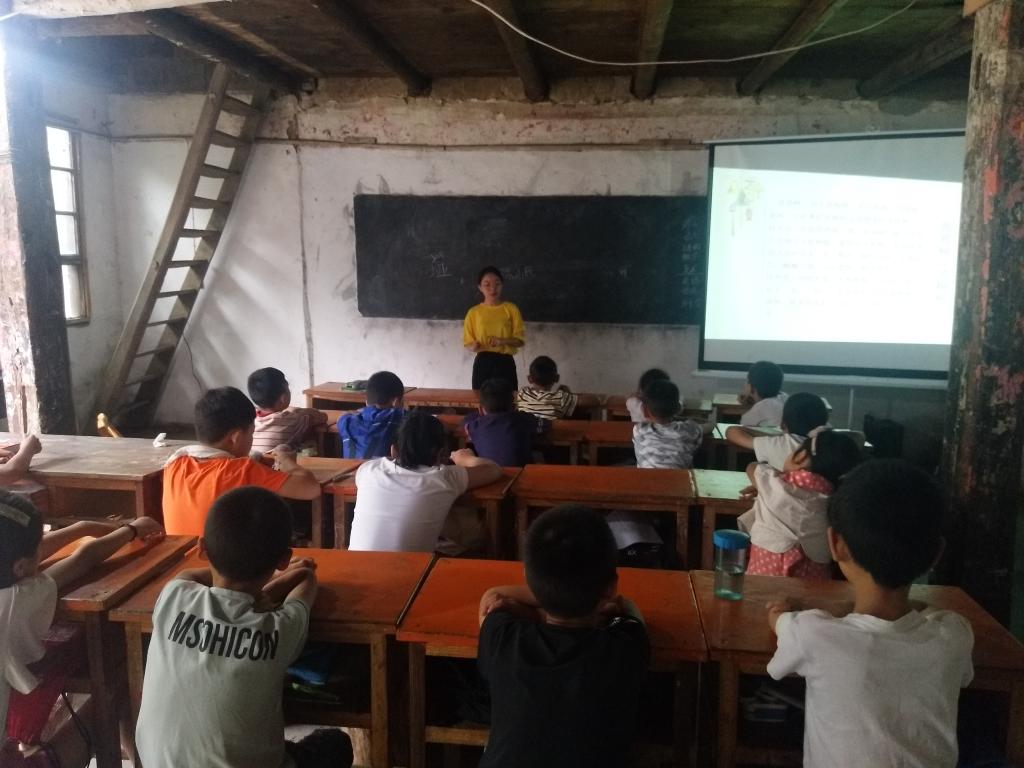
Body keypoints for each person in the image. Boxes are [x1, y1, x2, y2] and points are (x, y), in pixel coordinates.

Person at [766, 460, 974, 767]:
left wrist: (780, 613)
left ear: (836, 544)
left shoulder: (812, 634)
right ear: (936, 554)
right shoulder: (954, 635)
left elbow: (780, 621)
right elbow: (934, 618)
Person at [136, 486, 352, 768]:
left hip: (154, 763)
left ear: (202, 549)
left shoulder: (174, 596)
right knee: (335, 744)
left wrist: (261, 578)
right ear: (283, 559)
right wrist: (299, 571)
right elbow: (305, 585)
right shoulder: (279, 629)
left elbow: (191, 576)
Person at [477, 505, 649, 768]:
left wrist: (534, 609)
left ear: (528, 577)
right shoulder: (625, 644)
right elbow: (629, 607)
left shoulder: (504, 638)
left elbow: (492, 596)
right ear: (611, 586)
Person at [0, 490, 163, 753]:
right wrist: (131, 530)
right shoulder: (15, 601)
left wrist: (81, 528)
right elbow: (83, 559)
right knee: (111, 685)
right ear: (20, 567)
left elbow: (27, 553)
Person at [162, 387, 321, 536]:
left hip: (182, 554)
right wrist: (287, 461)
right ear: (235, 437)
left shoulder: (175, 463)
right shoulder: (240, 470)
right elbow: (311, 489)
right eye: (251, 434)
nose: (251, 439)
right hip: (220, 557)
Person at [348, 410, 503, 553]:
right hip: (410, 574)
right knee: (470, 527)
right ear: (441, 454)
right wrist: (464, 458)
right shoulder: (443, 477)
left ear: (393, 450)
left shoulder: (368, 470)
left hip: (353, 568)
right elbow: (494, 470)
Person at [739, 429, 862, 579]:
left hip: (764, 579)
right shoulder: (836, 501)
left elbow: (752, 467)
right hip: (814, 585)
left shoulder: (776, 485)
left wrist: (769, 483)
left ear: (801, 456)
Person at [725, 392, 829, 470]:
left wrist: (775, 436)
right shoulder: (832, 445)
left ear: (783, 425)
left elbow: (731, 431)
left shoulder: (778, 444)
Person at [463, 266, 524, 390]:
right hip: (483, 362)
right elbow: (468, 342)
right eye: (487, 285)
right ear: (480, 287)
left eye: (497, 284)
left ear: (502, 285)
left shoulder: (511, 309)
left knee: (508, 397)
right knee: (481, 397)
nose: (493, 289)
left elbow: (519, 341)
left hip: (505, 362)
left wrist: (502, 341)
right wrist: (473, 346)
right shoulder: (473, 312)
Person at [464, 378, 545, 467]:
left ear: (480, 409)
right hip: (520, 473)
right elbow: (545, 424)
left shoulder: (475, 426)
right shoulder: (523, 419)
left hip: (490, 474)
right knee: (538, 455)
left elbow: (466, 420)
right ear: (514, 406)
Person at [247, 367, 329, 454]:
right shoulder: (292, 420)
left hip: (255, 461)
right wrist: (297, 410)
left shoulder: (250, 419)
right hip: (279, 463)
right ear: (283, 398)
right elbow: (323, 417)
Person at [336, 371, 406, 459]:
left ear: (366, 402)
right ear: (396, 402)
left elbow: (341, 417)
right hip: (381, 468)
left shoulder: (347, 421)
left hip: (353, 468)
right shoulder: (398, 415)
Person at [516, 356, 577, 420]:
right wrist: (567, 393)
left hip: (524, 426)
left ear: (529, 379)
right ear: (556, 378)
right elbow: (583, 401)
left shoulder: (523, 393)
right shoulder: (561, 397)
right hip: (550, 426)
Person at [738, 360, 786, 427]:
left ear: (751, 386)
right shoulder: (784, 397)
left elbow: (744, 423)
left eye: (747, 381)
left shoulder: (761, 407)